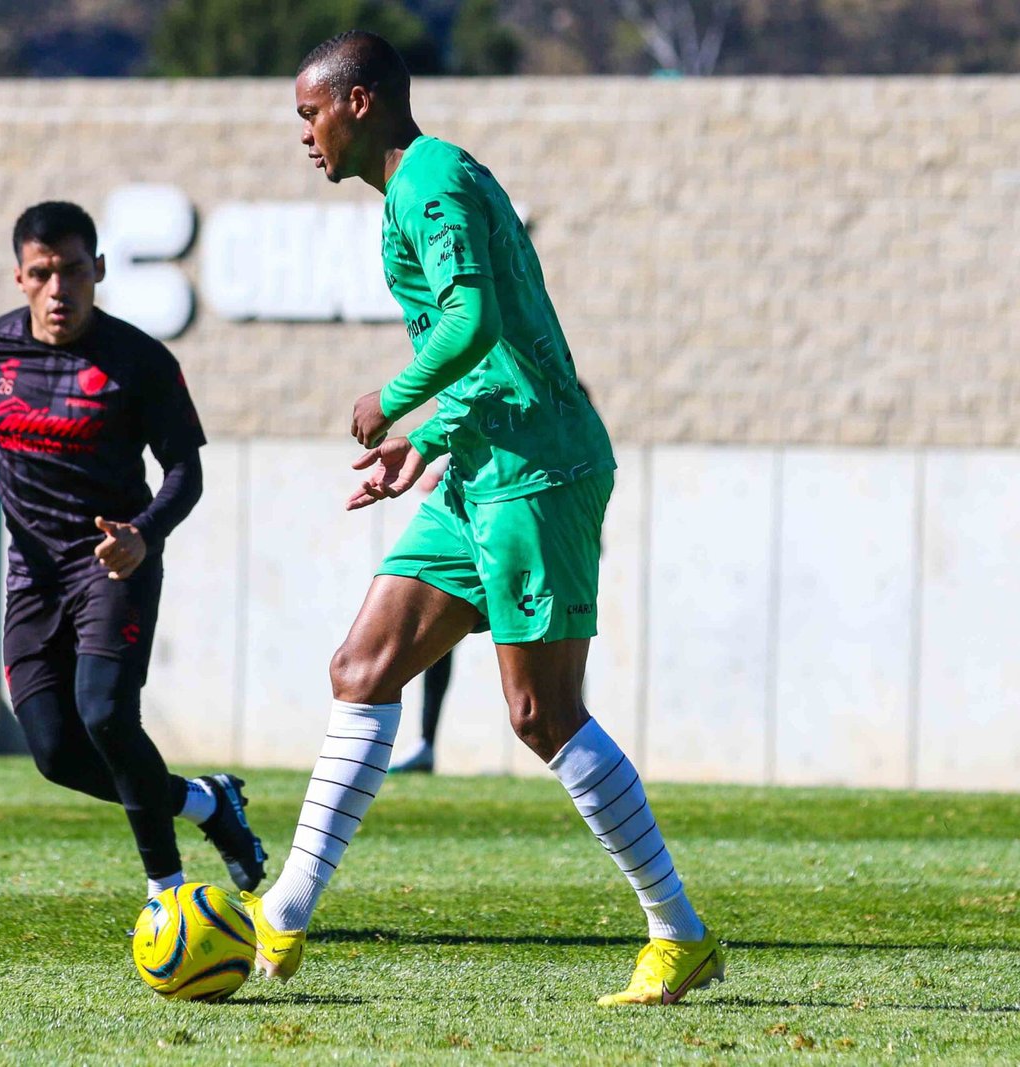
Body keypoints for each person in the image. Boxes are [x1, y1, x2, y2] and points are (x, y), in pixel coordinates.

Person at [240, 32, 724, 1007]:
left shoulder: (428, 183)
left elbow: (472, 325)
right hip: (481, 463)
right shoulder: (421, 186)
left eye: (310, 112)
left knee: (539, 714)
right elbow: (496, 340)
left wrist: (393, 400)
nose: (303, 133)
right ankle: (283, 911)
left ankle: (679, 932)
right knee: (363, 665)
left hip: (538, 470)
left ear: (361, 102)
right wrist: (428, 442)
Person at [0, 201, 266, 900]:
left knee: (107, 714)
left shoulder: (140, 359)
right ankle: (207, 803)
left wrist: (144, 532)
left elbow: (185, 472)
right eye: (43, 273)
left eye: (75, 271)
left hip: (114, 564)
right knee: (54, 751)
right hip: (32, 577)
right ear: (18, 278)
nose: (60, 289)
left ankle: (166, 892)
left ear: (99, 271)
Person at [390, 466, 451, 775]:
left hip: (534, 542)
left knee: (549, 647)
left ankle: (571, 736)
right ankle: (425, 744)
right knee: (438, 640)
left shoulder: (573, 419)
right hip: (481, 536)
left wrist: (420, 446)